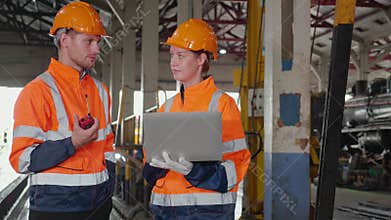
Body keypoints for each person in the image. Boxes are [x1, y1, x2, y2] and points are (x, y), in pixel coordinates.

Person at [9, 2, 115, 220]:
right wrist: (72, 143)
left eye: (98, 41)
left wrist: (108, 191)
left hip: (98, 207)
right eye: (89, 41)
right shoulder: (38, 92)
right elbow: (22, 160)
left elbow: (107, 147)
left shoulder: (100, 91)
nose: (96, 49)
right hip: (55, 210)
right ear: (65, 40)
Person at [142, 18, 251, 220]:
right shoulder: (166, 107)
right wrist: (153, 168)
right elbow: (148, 168)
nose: (173, 62)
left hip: (205, 213)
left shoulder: (222, 104)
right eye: (172, 55)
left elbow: (235, 167)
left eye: (181, 56)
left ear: (201, 59)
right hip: (164, 211)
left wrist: (195, 170)